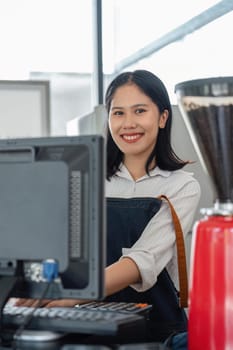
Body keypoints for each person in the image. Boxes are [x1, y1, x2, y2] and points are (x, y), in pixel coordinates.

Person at [15, 70, 201, 342]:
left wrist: (72, 296)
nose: (128, 123)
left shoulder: (181, 186)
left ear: (162, 117)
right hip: (87, 318)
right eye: (118, 113)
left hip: (156, 327)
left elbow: (143, 260)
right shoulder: (85, 179)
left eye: (139, 111)